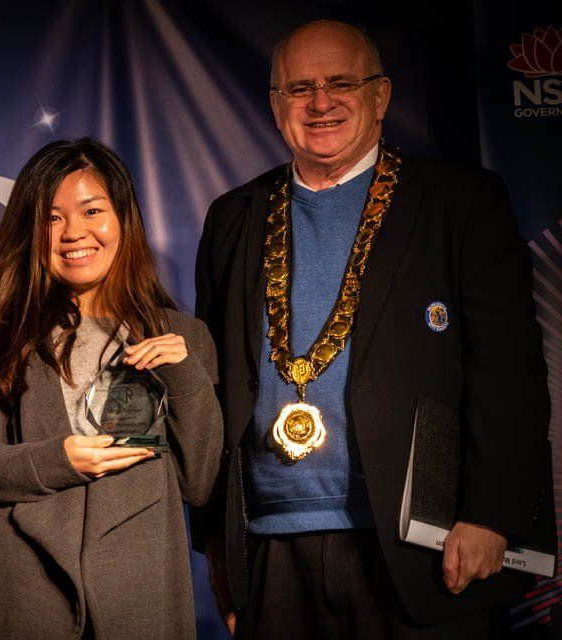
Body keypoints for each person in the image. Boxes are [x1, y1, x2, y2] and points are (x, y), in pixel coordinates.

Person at [193, 19, 551, 639]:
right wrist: (219, 545)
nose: (320, 102)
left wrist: (492, 514)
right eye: (300, 88)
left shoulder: (460, 202)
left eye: (341, 83)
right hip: (271, 549)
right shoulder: (232, 217)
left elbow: (508, 369)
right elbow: (212, 389)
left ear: (380, 96)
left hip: (422, 548)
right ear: (276, 105)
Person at [0, 138, 223, 639]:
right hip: (17, 595)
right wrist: (54, 461)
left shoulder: (182, 338)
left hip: (136, 601)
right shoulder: (1, 336)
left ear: (123, 219)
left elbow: (199, 484)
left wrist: (186, 377)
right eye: (52, 217)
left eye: (92, 211)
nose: (73, 232)